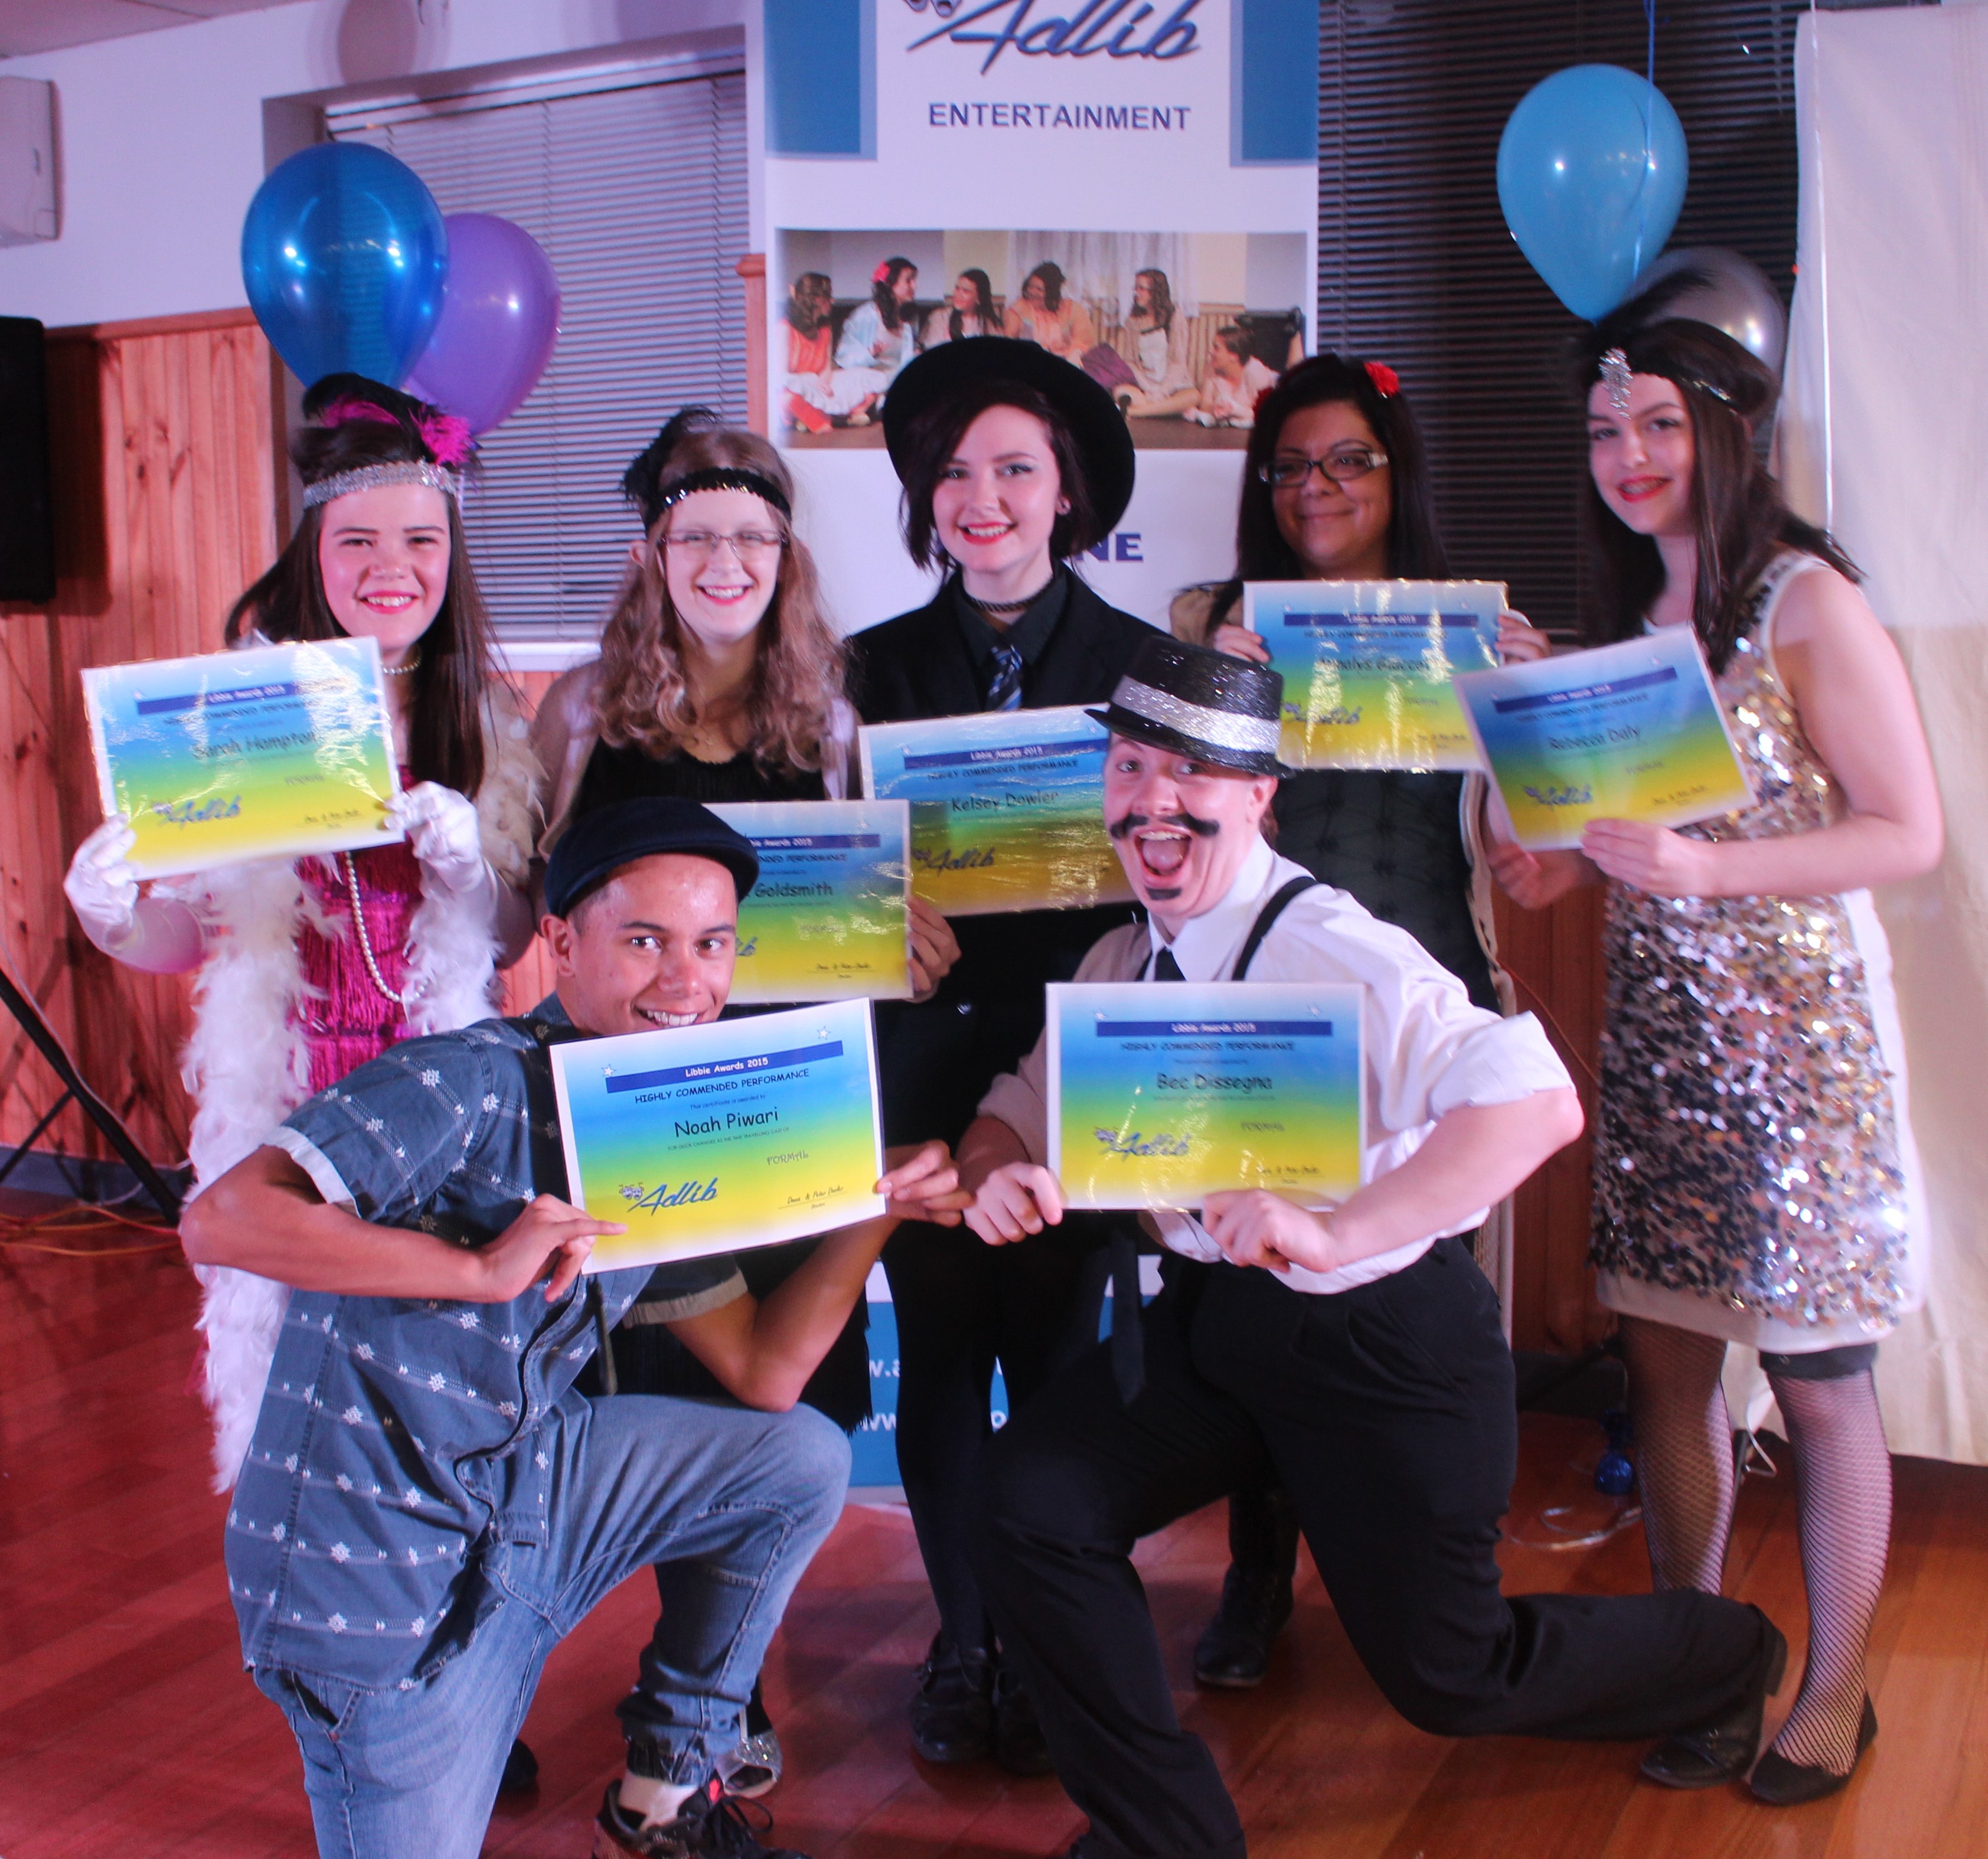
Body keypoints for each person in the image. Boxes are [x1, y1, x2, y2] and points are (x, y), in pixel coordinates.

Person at [957, 632, 1791, 1859]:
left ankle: (1731, 1652)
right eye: (1129, 764)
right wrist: (992, 1167)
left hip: (1381, 1343)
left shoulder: (1333, 945)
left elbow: (1535, 1100)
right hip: (1220, 1327)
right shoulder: (1121, 957)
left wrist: (1335, 1224)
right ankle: (1166, 1836)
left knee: (1454, 1675)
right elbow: (1021, 1104)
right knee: (1026, 1498)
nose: (1151, 798)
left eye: (1190, 770)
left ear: (1258, 794)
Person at [179, 796, 971, 1859]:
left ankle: (659, 1808)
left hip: (517, 1501)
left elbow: (765, 1372)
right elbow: (222, 1218)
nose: (684, 982)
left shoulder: (649, 1120)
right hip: (374, 1580)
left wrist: (880, 1205)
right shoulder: (465, 1075)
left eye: (711, 945)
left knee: (798, 1459)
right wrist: (475, 1268)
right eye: (643, 941)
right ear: (559, 943)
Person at [1486, 302, 1942, 1804]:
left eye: (1659, 424)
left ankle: (1836, 1690)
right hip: (1661, 1050)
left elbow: (1909, 829)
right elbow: (1588, 855)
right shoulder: (1629, 623)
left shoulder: (1808, 600)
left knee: (1820, 1380)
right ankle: (1701, 1663)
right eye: (1604, 430)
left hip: (1801, 1054)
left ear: (1729, 432)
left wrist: (1710, 870)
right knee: (1665, 1367)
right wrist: (1536, 802)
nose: (1627, 454)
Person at [530, 410, 959, 1797]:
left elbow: (867, 903)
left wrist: (903, 931)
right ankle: (687, 1679)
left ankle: (727, 1674)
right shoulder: (580, 709)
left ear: (787, 555)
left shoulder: (829, 713)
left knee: (792, 1404)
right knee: (666, 1391)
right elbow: (528, 900)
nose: (726, 560)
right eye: (697, 534)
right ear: (653, 551)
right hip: (638, 1102)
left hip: (791, 1099)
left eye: (754, 537)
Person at [61, 374, 540, 1492]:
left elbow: (513, 939)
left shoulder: (482, 716)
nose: (390, 566)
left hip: (431, 1090)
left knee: (424, 1369)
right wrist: (112, 915)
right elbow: (198, 936)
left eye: (421, 539)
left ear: (451, 556)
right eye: (356, 540)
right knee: (290, 1378)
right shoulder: (248, 715)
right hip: (282, 1088)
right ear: (313, 554)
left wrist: (466, 868)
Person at [1170, 352, 1547, 1687]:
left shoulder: (1472, 629)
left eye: (1346, 460)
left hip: (1429, 1004)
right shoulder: (1213, 617)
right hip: (1264, 1010)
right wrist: (1211, 685)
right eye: (1289, 466)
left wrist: (1526, 721)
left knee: (1421, 1300)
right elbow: (1161, 808)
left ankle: (1437, 1579)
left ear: (1396, 472)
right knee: (1261, 1290)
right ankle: (1258, 1570)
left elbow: (1537, 860)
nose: (1315, 487)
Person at [844, 337, 1150, 1773]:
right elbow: (812, 878)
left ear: (1065, 491)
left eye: (1016, 469)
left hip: (1079, 1061)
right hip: (922, 1064)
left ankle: (1048, 1640)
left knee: (1062, 1361)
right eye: (955, 473)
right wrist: (870, 917)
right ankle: (964, 1640)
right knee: (946, 1359)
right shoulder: (866, 668)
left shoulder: (1138, 666)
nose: (985, 499)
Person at [781, 272, 877, 434]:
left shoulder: (825, 329)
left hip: (821, 383)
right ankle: (830, 419)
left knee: (869, 381)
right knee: (788, 398)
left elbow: (826, 368)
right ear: (818, 300)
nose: (833, 301)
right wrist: (812, 384)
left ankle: (829, 416)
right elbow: (783, 377)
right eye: (829, 297)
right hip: (798, 387)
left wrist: (823, 384)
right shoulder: (785, 328)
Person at [1112, 267, 1197, 417]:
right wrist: (1148, 388)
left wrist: (1162, 391)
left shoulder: (1175, 317)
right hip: (1145, 386)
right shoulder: (1132, 321)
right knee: (1120, 391)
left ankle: (1135, 412)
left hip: (1172, 385)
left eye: (1142, 288)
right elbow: (1130, 361)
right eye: (1136, 288)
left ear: (1156, 291)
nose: (1137, 292)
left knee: (1193, 396)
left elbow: (1178, 362)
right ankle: (1165, 409)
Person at [834, 256, 920, 403]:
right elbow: (843, 358)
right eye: (908, 281)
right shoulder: (866, 316)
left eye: (914, 280)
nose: (915, 286)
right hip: (868, 383)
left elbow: (903, 363)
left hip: (896, 381)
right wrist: (871, 354)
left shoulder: (908, 319)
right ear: (891, 283)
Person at [1187, 325, 1279, 429]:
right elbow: (1205, 406)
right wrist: (1218, 410)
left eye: (1216, 348)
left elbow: (1266, 414)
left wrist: (1233, 410)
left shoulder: (1255, 372)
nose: (1211, 352)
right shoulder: (1212, 367)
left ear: (1234, 356)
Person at [1003, 261, 1097, 362]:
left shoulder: (1071, 308)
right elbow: (1009, 341)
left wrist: (1074, 355)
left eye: (1039, 289)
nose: (1032, 292)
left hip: (1066, 362)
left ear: (1052, 293)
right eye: (1030, 286)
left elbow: (1084, 341)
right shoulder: (1019, 308)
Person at [923, 267, 999, 348]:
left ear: (979, 298)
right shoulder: (940, 317)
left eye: (966, 291)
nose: (958, 295)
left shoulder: (990, 325)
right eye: (957, 288)